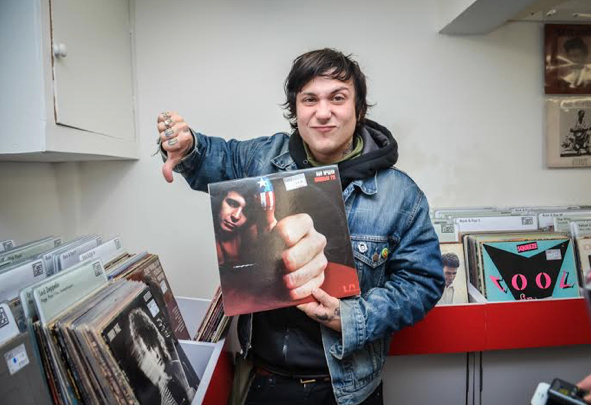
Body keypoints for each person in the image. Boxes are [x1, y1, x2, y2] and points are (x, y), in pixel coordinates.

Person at [157, 48, 444, 404]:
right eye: (310, 99)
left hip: (347, 390)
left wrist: (352, 317)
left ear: (359, 108)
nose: (323, 112)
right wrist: (187, 147)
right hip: (263, 380)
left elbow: (422, 283)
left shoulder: (400, 194)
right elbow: (218, 157)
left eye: (337, 98)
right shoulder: (262, 157)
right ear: (296, 109)